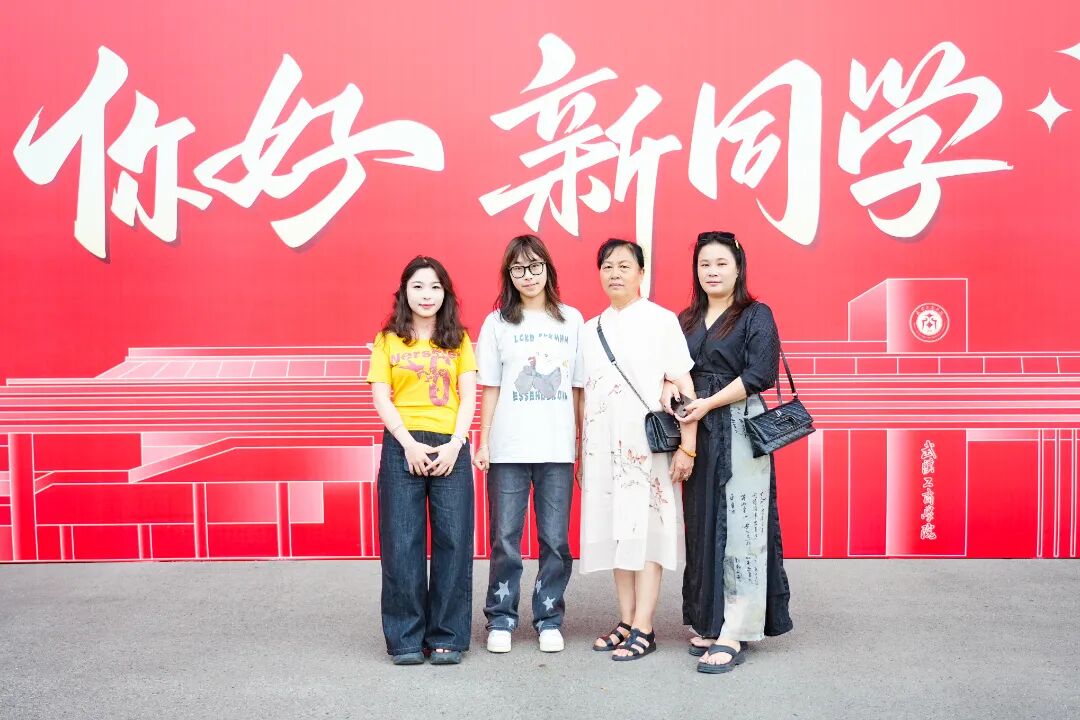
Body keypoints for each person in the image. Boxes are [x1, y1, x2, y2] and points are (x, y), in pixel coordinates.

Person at [664, 230, 793, 674]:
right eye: (704, 264)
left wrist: (708, 403)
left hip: (739, 426)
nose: (712, 272)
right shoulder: (685, 319)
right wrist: (671, 393)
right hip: (695, 430)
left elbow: (761, 373)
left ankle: (735, 630)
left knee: (742, 526)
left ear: (738, 268)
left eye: (721, 263)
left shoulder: (756, 314)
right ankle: (709, 619)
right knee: (702, 524)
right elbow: (671, 369)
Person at [578, 238, 698, 661]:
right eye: (607, 266)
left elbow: (683, 384)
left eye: (624, 266)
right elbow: (583, 394)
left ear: (641, 273)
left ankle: (645, 625)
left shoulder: (661, 321)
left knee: (646, 534)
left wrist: (688, 447)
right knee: (619, 532)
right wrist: (581, 451)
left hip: (647, 449)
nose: (615, 273)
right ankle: (626, 620)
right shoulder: (589, 329)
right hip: (602, 449)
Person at [473, 234, 585, 654]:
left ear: (548, 270)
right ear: (509, 275)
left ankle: (549, 617)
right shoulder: (497, 323)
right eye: (518, 269)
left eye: (535, 266)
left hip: (557, 448)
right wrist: (483, 441)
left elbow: (578, 389)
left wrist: (580, 445)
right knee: (505, 538)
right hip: (509, 449)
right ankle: (501, 618)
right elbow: (490, 387)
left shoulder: (571, 320)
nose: (528, 276)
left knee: (555, 540)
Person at [367, 256, 478, 666]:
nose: (426, 295)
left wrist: (455, 444)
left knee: (454, 542)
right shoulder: (388, 340)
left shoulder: (458, 340)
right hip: (403, 444)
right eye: (417, 286)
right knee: (402, 543)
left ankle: (447, 636)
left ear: (445, 293)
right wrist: (408, 444)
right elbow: (381, 396)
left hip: (451, 447)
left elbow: (469, 395)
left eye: (434, 287)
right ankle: (406, 639)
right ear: (404, 292)